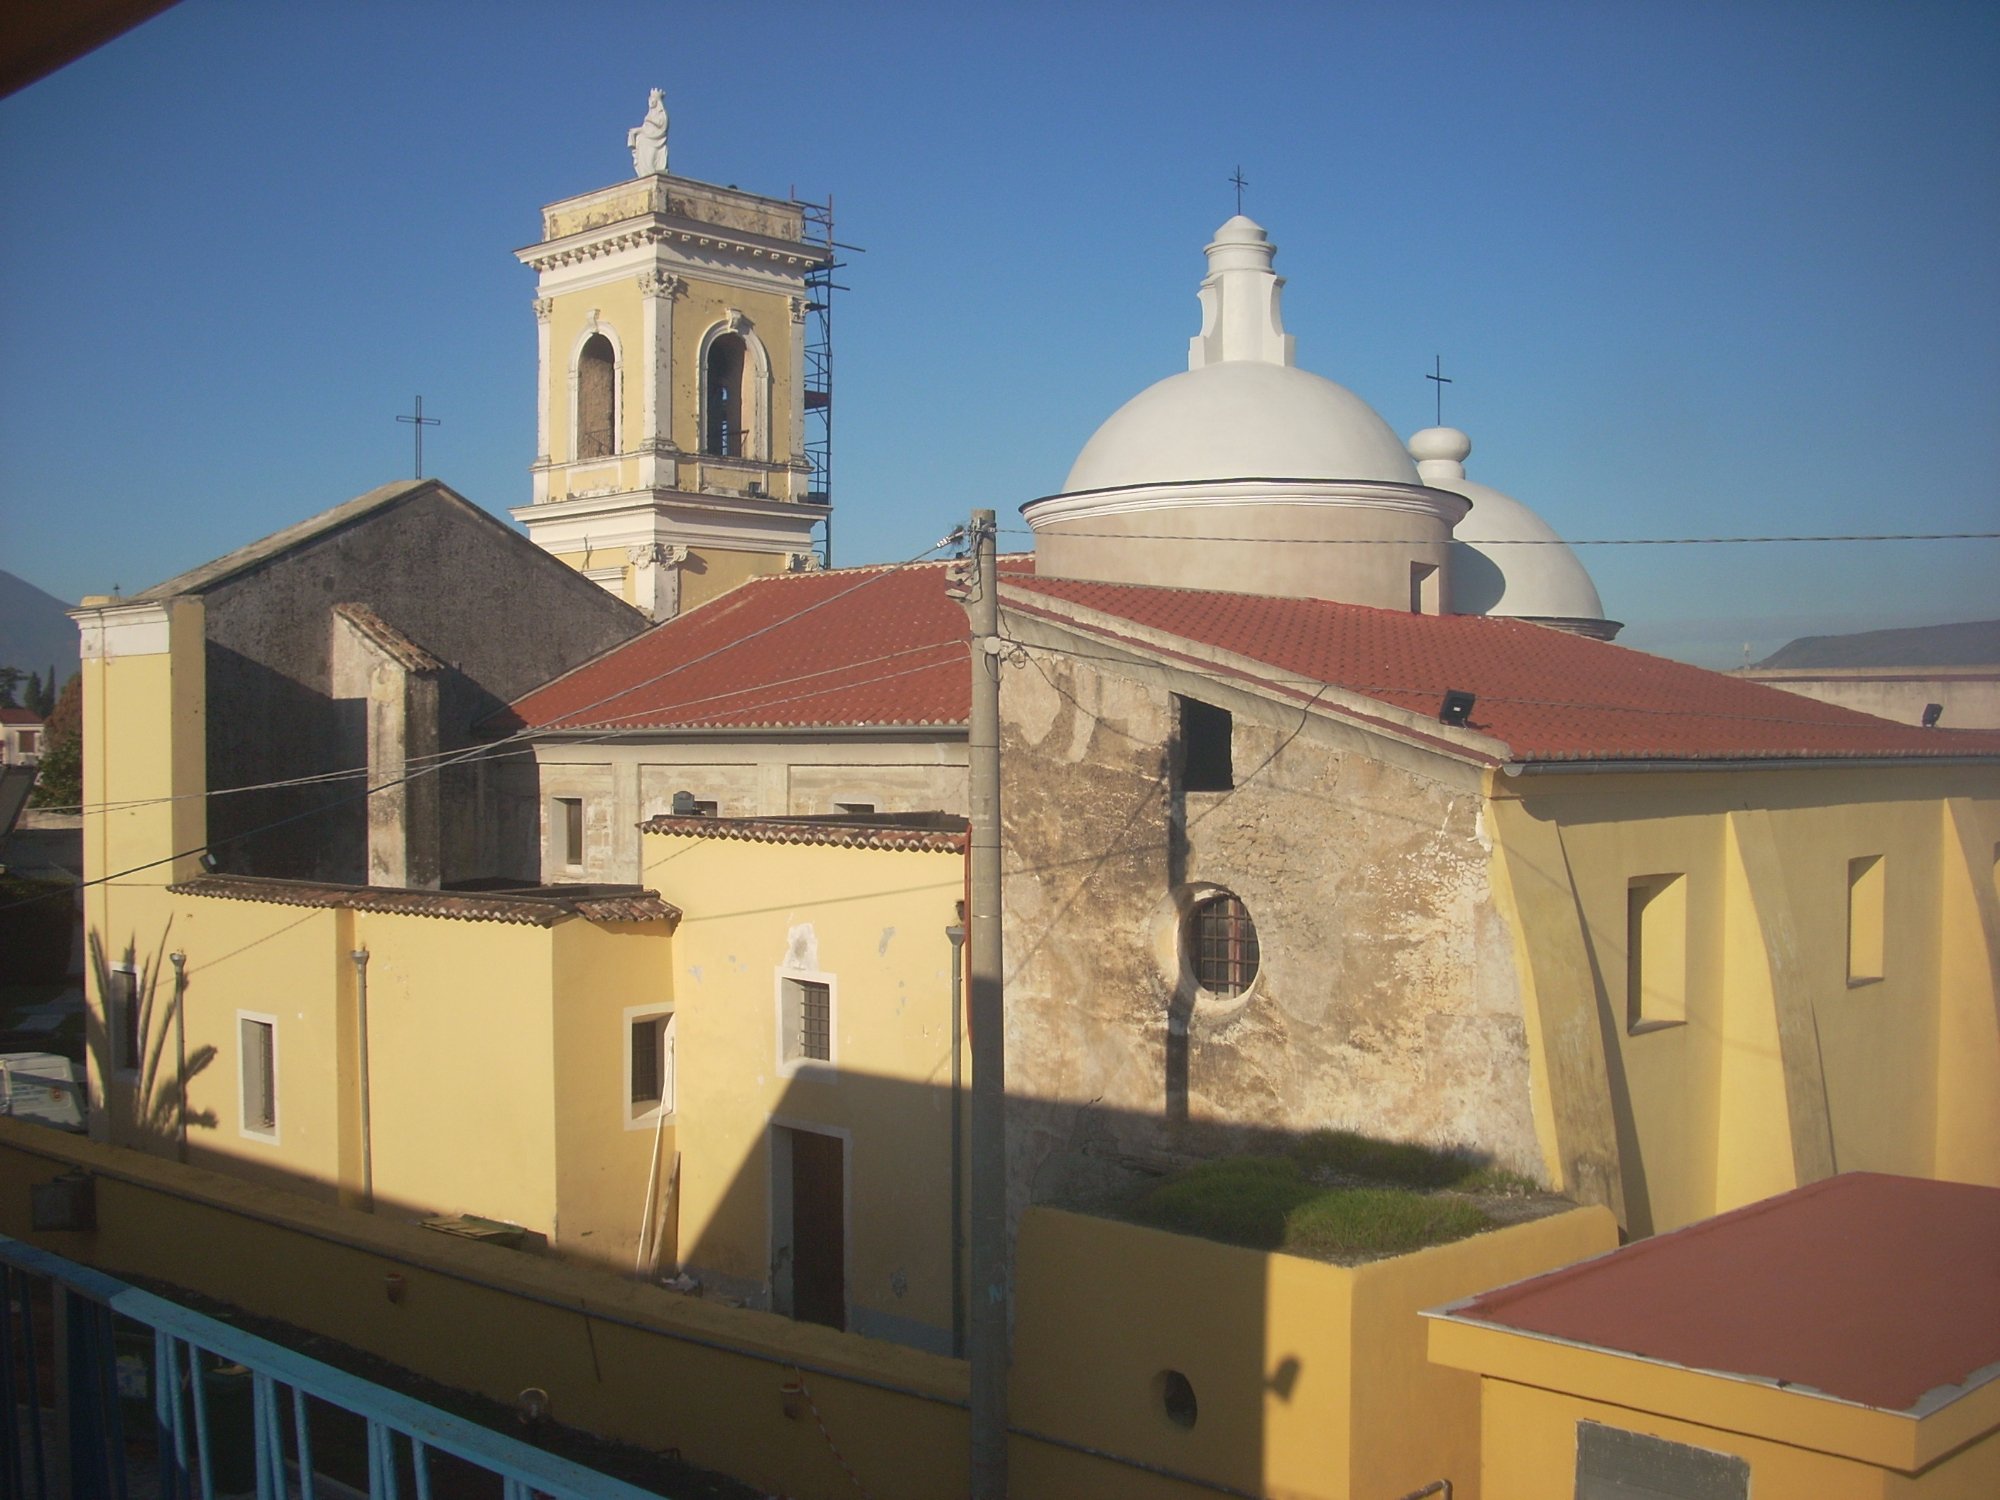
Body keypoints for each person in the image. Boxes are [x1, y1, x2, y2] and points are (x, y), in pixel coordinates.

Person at [628, 89, 669, 177]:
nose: (650, 102)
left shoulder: (661, 113)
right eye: (649, 100)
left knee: (650, 160)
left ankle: (650, 175)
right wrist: (637, 131)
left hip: (654, 140)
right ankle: (645, 174)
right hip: (644, 140)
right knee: (643, 158)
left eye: (652, 100)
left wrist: (644, 127)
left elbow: (662, 126)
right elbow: (645, 128)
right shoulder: (649, 114)